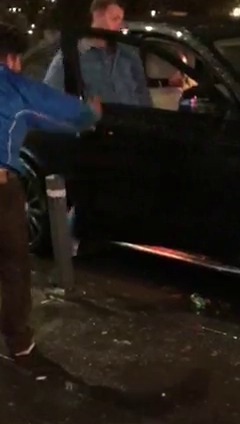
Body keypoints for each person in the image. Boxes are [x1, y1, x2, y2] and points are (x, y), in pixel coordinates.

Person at [0, 22, 102, 368]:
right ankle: (18, 341)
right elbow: (62, 113)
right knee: (13, 264)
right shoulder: (15, 87)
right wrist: (91, 113)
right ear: (11, 59)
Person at [44, 0, 152, 107]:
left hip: (132, 118)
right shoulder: (71, 56)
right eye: (115, 19)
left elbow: (144, 98)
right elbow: (48, 101)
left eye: (120, 20)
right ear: (97, 15)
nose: (119, 26)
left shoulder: (128, 56)